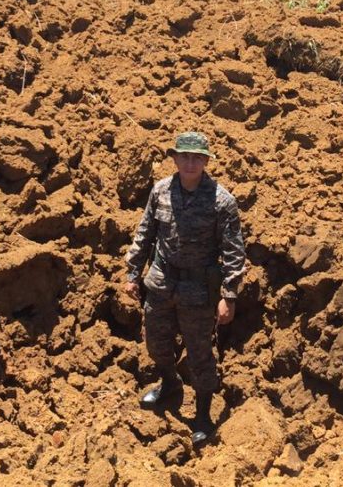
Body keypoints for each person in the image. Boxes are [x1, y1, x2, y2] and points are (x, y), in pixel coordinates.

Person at [123, 131, 247, 448]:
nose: (190, 163)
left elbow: (233, 252)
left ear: (206, 161)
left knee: (200, 354)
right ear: (175, 158)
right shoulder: (160, 191)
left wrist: (229, 296)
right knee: (156, 344)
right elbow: (145, 233)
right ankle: (169, 385)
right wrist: (133, 272)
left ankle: (203, 414)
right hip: (162, 281)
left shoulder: (222, 201)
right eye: (185, 157)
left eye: (197, 158)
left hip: (198, 290)